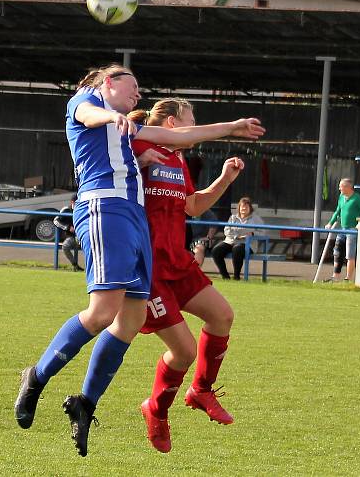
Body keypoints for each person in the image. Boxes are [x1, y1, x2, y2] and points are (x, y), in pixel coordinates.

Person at [13, 64, 265, 457]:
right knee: (102, 312)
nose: (137, 97)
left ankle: (85, 403)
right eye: (132, 89)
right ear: (109, 83)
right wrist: (113, 116)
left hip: (133, 219)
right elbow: (89, 113)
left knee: (128, 320)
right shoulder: (88, 104)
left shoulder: (140, 136)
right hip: (105, 208)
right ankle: (38, 376)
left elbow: (176, 137)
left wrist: (231, 126)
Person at [129, 98, 245, 453]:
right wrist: (136, 161)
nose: (196, 131)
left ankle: (201, 391)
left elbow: (192, 205)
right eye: (192, 122)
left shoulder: (178, 159)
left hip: (176, 261)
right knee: (183, 351)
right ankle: (156, 409)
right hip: (146, 267)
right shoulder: (137, 144)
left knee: (222, 315)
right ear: (171, 122)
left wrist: (225, 179)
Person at [325, 178, 360, 282]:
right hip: (342, 228)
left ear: (348, 187)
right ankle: (335, 276)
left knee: (350, 254)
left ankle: (348, 278)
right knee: (337, 251)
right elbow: (337, 211)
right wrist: (330, 223)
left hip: (352, 230)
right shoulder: (341, 197)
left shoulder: (357, 198)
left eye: (341, 186)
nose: (339, 188)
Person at [210, 197, 262, 280]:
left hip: (247, 244)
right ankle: (225, 276)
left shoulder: (256, 219)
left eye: (246, 206)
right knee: (216, 251)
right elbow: (226, 230)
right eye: (242, 206)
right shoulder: (233, 217)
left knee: (237, 248)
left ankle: (236, 276)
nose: (244, 208)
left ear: (250, 208)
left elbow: (263, 232)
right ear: (239, 208)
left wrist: (252, 233)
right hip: (231, 241)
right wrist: (236, 236)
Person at [53, 194, 82, 271]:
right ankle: (75, 265)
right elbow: (56, 221)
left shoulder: (84, 209)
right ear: (72, 202)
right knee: (65, 246)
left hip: (83, 235)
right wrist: (68, 227)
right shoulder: (66, 210)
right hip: (72, 237)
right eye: (76, 202)